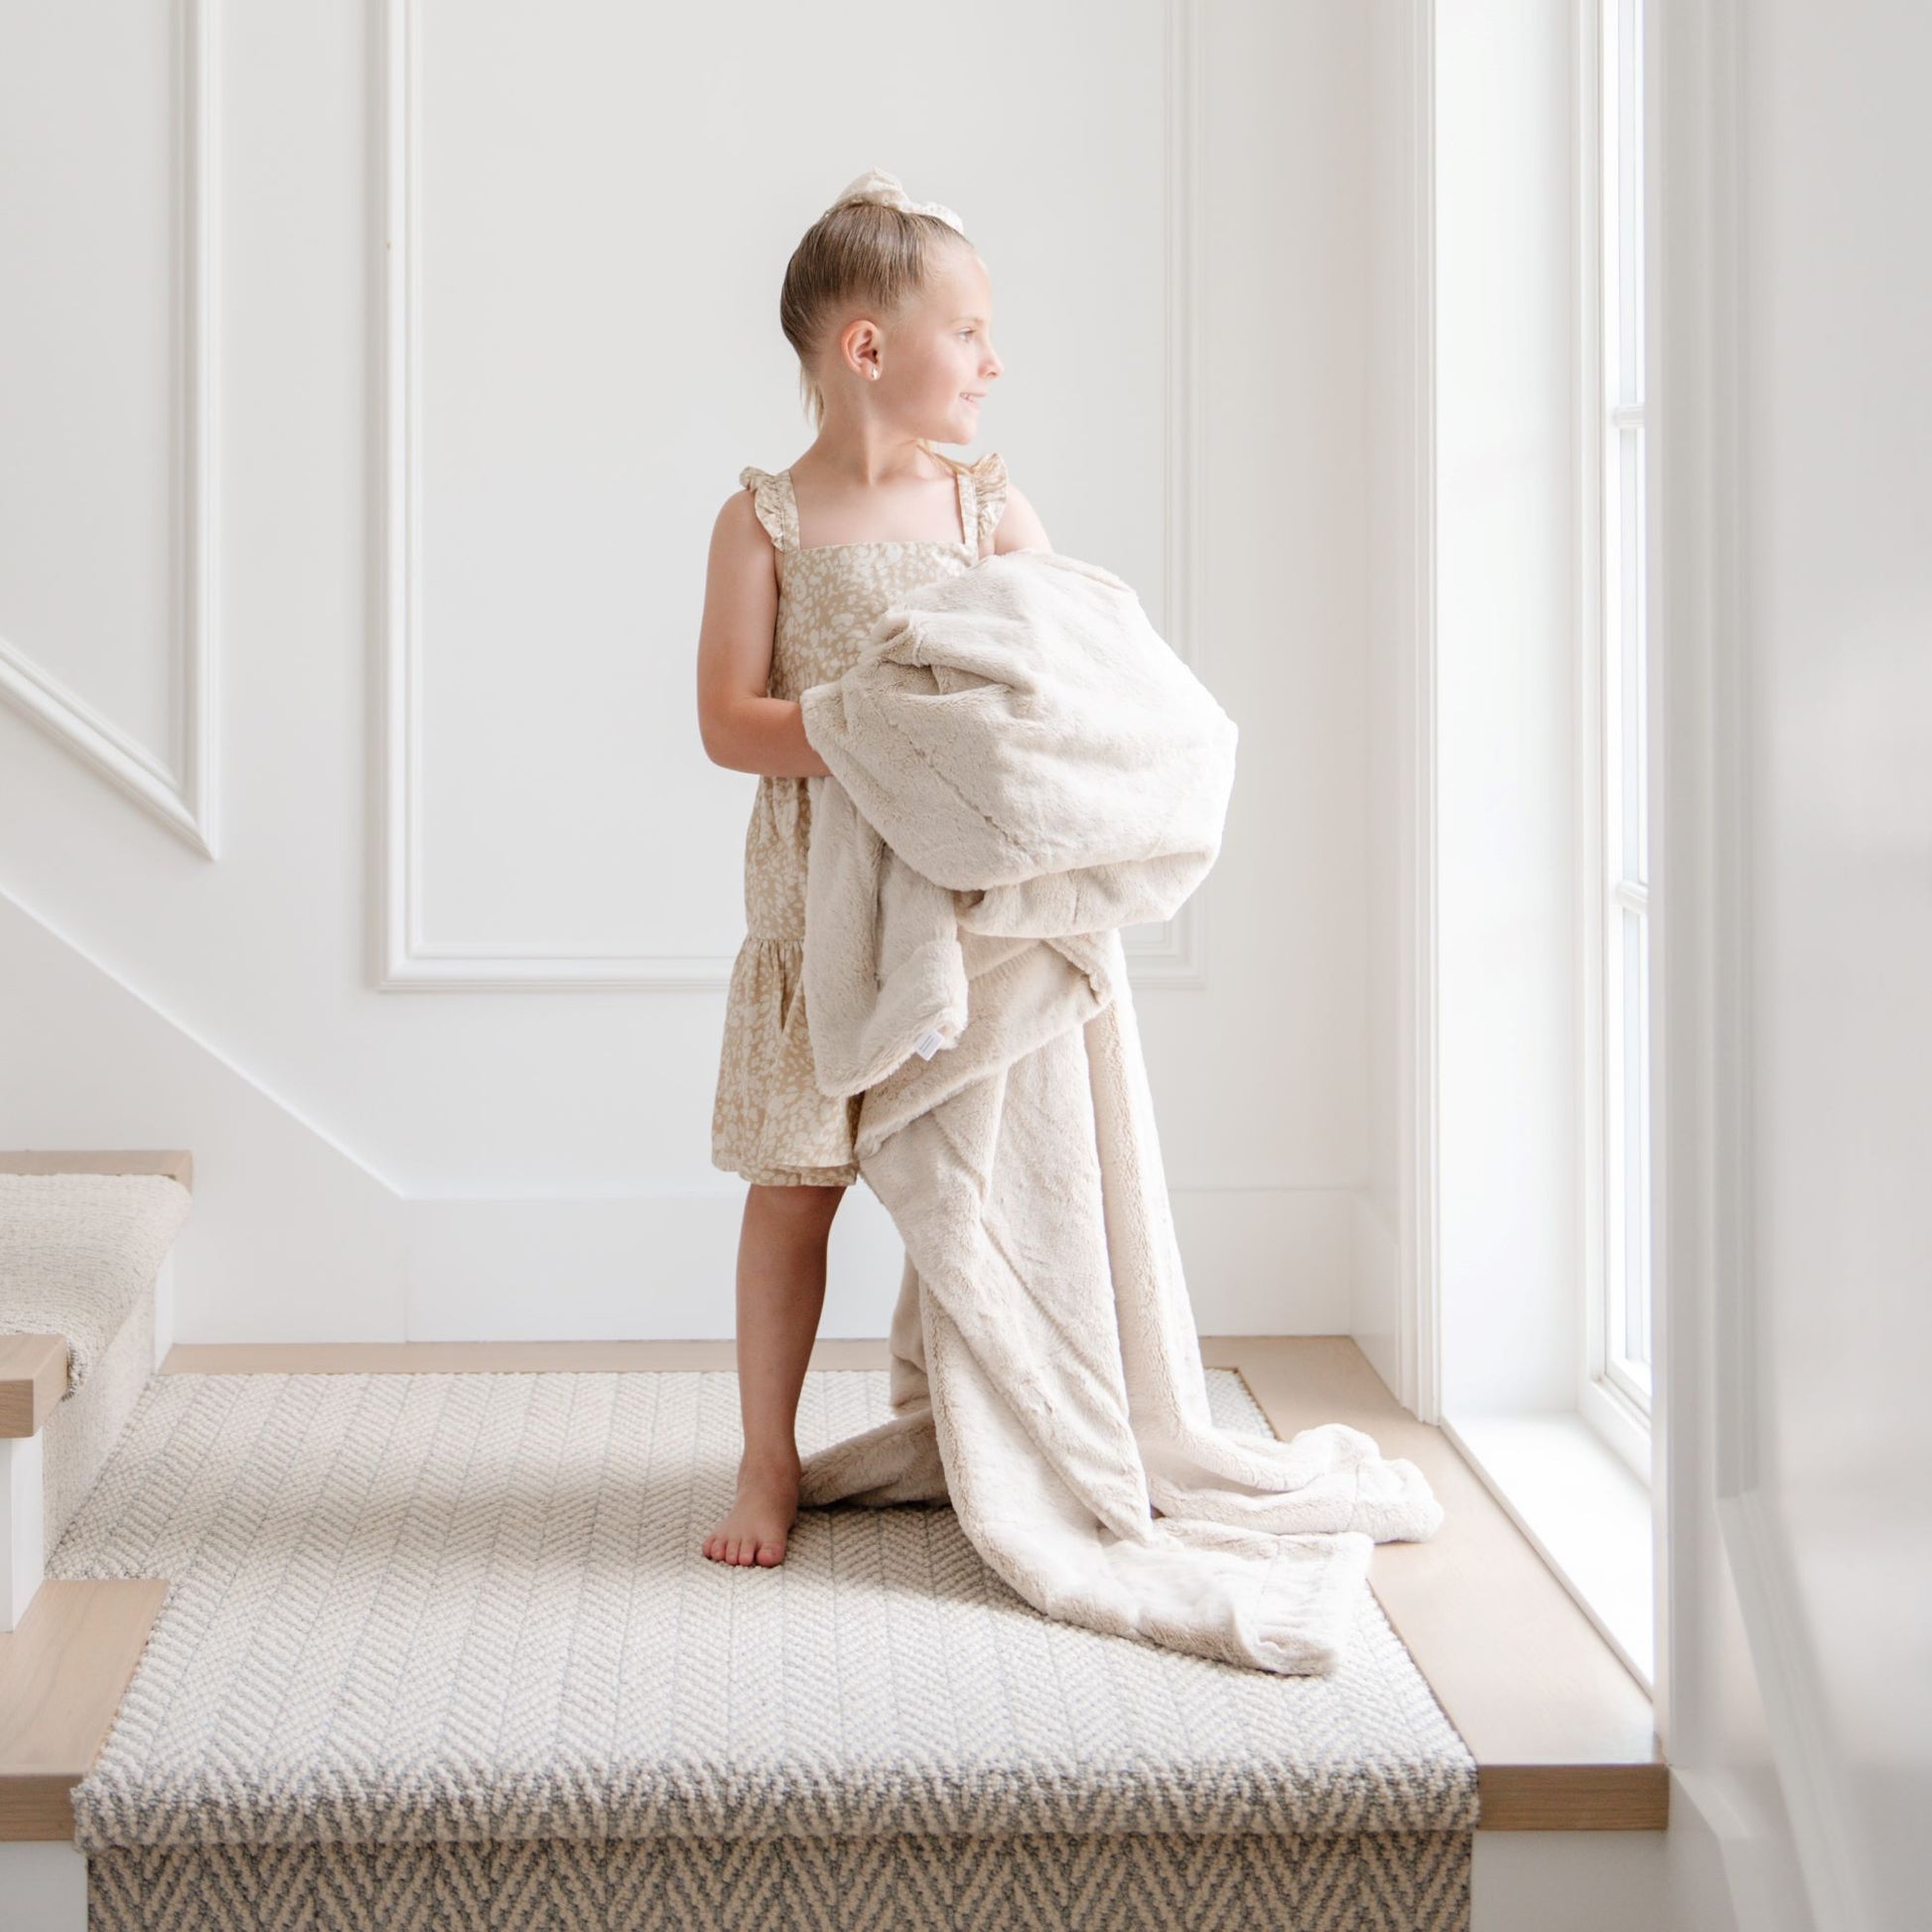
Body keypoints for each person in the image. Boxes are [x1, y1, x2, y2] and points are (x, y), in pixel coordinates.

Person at [694, 168, 1051, 1568]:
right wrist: (875, 734)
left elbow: (1052, 676)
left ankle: (993, 1436)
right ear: (866, 349)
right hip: (815, 905)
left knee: (971, 1181)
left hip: (958, 909)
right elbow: (729, 721)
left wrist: (935, 745)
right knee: (795, 1186)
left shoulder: (984, 511)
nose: (991, 359)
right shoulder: (765, 523)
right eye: (967, 330)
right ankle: (766, 1458)